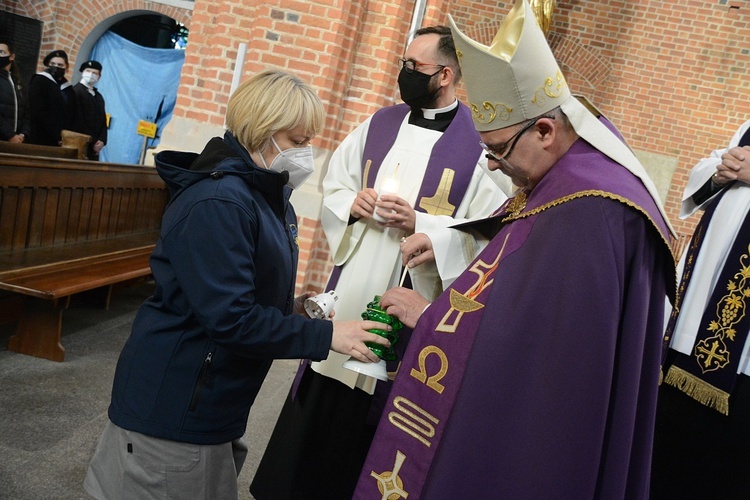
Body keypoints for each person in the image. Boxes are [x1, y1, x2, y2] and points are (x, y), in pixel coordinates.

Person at [352, 1, 676, 498]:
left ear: (545, 130)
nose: (497, 168)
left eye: (499, 152)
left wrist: (432, 319)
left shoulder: (591, 213)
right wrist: (442, 241)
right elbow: (509, 248)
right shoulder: (571, 174)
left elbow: (539, 361)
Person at [83, 69, 391, 499]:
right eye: (297, 141)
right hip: (177, 403)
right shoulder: (219, 201)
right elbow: (230, 319)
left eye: (309, 141)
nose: (306, 153)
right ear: (262, 132)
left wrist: (296, 308)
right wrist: (328, 336)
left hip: (216, 398)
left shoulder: (262, 194)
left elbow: (243, 290)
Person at [250, 26, 510, 500]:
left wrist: (423, 224)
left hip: (415, 296)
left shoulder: (478, 146)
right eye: (403, 64)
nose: (404, 74)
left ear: (446, 74)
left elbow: (489, 230)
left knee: (376, 417)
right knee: (327, 392)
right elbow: (335, 184)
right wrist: (354, 204)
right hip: (356, 284)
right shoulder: (379, 123)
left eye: (415, 67)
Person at [651, 120, 750, 499]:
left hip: (742, 362)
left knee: (722, 466)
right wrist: (722, 170)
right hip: (693, 323)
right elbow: (708, 165)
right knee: (666, 449)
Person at [28, 49, 74, 146]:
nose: (56, 67)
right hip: (41, 135)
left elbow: (71, 113)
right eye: (52, 64)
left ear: (67, 67)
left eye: (60, 65)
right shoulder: (40, 80)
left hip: (63, 138)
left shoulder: (68, 88)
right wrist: (56, 134)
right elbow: (38, 110)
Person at [69, 60, 107, 160]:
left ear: (99, 76)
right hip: (80, 142)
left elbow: (103, 121)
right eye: (88, 71)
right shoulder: (75, 91)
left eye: (95, 73)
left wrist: (102, 140)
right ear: (83, 72)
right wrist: (93, 141)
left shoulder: (98, 96)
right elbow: (77, 120)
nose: (91, 75)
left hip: (95, 148)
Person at [0, 39, 30, 143]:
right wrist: (10, 135)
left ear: (11, 57)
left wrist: (22, 134)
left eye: (2, 52)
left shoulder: (18, 82)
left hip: (16, 141)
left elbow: (26, 111)